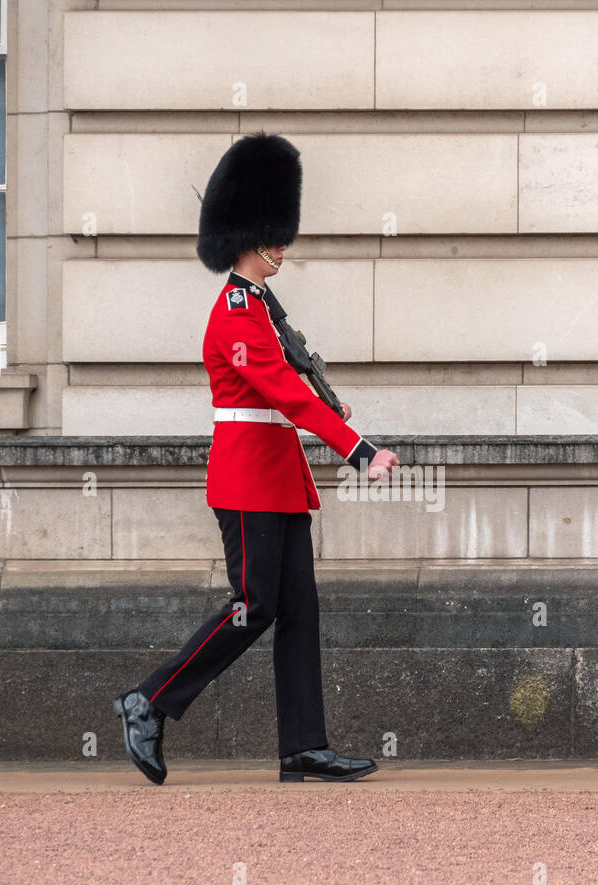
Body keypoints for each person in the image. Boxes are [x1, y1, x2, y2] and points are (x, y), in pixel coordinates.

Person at [113, 132, 400, 785]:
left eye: (283, 235)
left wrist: (330, 412)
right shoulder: (238, 315)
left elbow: (293, 393)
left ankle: (304, 746)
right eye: (273, 235)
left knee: (299, 612)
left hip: (279, 478)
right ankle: (150, 700)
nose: (282, 247)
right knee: (252, 605)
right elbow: (285, 396)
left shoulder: (267, 311)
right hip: (248, 480)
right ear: (245, 235)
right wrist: (358, 451)